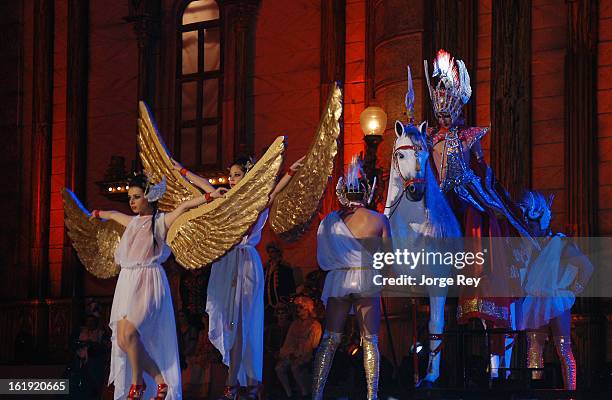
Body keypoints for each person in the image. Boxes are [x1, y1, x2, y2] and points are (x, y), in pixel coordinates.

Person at [424, 49, 532, 377]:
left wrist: (465, 181)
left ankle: (495, 350)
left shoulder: (469, 136)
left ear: (456, 107)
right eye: (438, 110)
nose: (443, 117)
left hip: (465, 202)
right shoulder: (427, 137)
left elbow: (482, 173)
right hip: (434, 205)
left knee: (480, 227)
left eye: (447, 109)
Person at [173, 155, 304, 400]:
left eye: (237, 175)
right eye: (230, 175)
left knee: (242, 323)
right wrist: (180, 169)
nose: (232, 180)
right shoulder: (224, 201)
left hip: (245, 263)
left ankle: (235, 383)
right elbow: (203, 185)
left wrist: (290, 172)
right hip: (225, 263)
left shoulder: (255, 202)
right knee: (227, 321)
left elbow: (273, 193)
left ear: (248, 176)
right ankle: (236, 381)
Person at [91, 173, 226, 400]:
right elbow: (113, 214)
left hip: (148, 281)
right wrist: (95, 214)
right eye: (129, 197)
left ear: (149, 197)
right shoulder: (133, 222)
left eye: (136, 197)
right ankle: (159, 381)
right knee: (123, 339)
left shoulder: (160, 222)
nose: (132, 202)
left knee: (131, 332)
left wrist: (210, 196)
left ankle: (137, 384)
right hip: (127, 282)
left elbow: (184, 207)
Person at [312, 156, 391, 400]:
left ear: (343, 192)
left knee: (330, 339)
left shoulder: (329, 221)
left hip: (339, 280)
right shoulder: (379, 219)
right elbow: (388, 259)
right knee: (370, 340)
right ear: (366, 190)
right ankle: (372, 396)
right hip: (366, 279)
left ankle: (316, 395)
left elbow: (321, 257)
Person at [518, 191, 593, 390]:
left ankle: (570, 393)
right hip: (535, 301)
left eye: (532, 224)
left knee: (563, 349)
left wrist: (571, 292)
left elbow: (586, 266)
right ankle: (535, 391)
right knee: (534, 351)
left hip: (556, 301)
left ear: (541, 220)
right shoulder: (530, 246)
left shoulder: (561, 243)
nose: (529, 228)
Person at [275, 296, 322, 398]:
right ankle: (289, 394)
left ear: (308, 308)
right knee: (279, 368)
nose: (298, 310)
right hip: (292, 353)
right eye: (297, 308)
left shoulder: (315, 325)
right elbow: (289, 341)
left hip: (306, 354)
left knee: (295, 366)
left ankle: (305, 393)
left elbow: (313, 345)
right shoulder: (295, 324)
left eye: (301, 307)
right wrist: (288, 353)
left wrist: (299, 354)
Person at [264, 242, 296, 323]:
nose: (271, 254)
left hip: (281, 302)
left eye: (273, 252)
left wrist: (284, 299)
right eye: (269, 252)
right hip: (268, 303)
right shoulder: (266, 267)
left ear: (278, 252)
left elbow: (290, 285)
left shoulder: (284, 267)